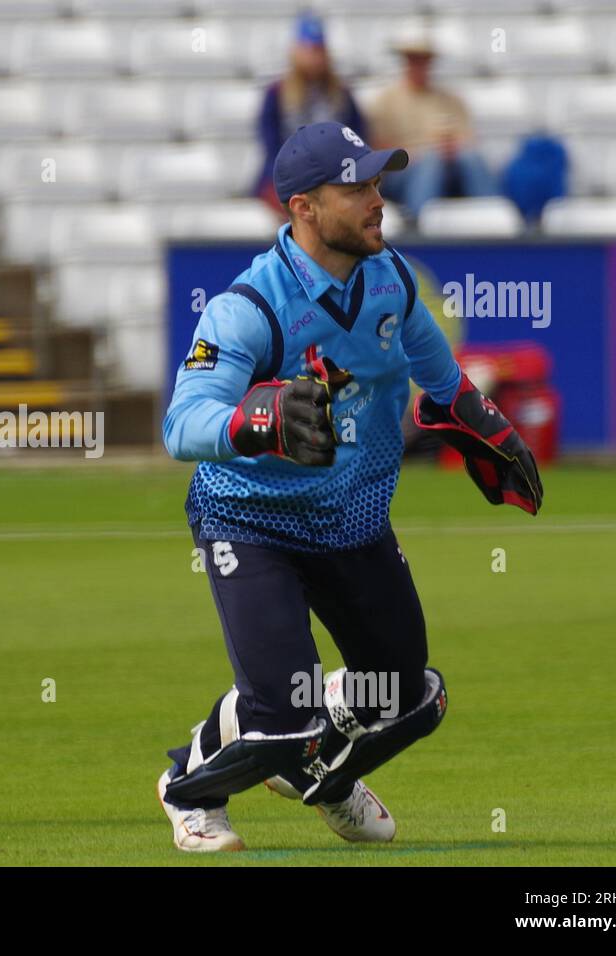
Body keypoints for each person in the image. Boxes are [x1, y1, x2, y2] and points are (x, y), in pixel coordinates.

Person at [157, 122, 542, 852]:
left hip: (353, 520)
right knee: (285, 716)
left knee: (409, 698)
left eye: (377, 183)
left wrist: (480, 423)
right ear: (303, 207)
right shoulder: (248, 307)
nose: (377, 200)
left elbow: (438, 372)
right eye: (356, 187)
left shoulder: (389, 279)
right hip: (250, 518)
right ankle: (188, 787)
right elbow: (182, 425)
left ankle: (325, 781)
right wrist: (259, 419)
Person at [366, 28, 495, 221]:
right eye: (414, 59)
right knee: (430, 162)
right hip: (403, 171)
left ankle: (491, 217)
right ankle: (420, 220)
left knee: (470, 158)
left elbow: (468, 139)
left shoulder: (451, 100)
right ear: (406, 61)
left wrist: (451, 148)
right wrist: (414, 154)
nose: (419, 65)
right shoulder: (386, 101)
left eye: (424, 59)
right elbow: (376, 147)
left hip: (449, 166)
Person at [253, 12, 364, 213]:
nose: (314, 57)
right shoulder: (277, 94)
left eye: (318, 50)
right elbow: (270, 146)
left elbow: (357, 140)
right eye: (309, 50)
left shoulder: (341, 94)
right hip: (286, 176)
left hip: (334, 176)